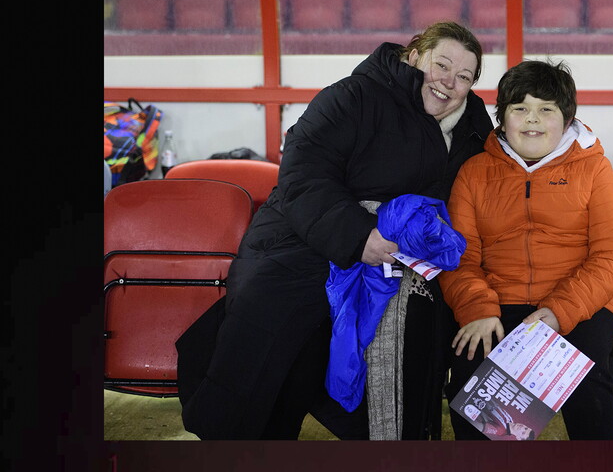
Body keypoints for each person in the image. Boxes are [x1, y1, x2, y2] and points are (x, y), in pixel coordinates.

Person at [175, 22, 494, 440]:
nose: (449, 83)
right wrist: (359, 236)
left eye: (464, 77)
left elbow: (494, 180)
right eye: (442, 65)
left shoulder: (472, 124)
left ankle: (393, 438)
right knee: (272, 324)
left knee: (414, 328)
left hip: (400, 258)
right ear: (415, 55)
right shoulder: (354, 95)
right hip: (302, 238)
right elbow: (303, 176)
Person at [439, 59, 613, 440]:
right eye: (520, 108)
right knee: (473, 393)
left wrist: (559, 313)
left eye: (546, 109)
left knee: (587, 385)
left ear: (565, 118)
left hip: (583, 302)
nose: (532, 120)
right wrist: (477, 309)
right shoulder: (474, 172)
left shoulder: (593, 168)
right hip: (498, 300)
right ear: (502, 117)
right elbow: (459, 255)